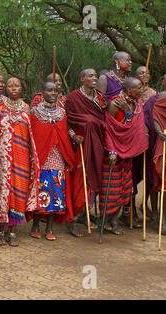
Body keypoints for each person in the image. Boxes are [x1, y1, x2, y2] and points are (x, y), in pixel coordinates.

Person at [26, 82, 76, 240]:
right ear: (43, 92)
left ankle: (49, 227)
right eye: (49, 90)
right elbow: (31, 136)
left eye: (56, 91)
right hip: (40, 158)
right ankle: (35, 225)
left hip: (58, 158)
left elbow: (65, 133)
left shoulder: (62, 112)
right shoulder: (34, 112)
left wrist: (73, 136)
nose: (53, 93)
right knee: (39, 191)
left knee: (56, 192)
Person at [99, 77, 148, 235]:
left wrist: (129, 113)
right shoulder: (115, 104)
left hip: (128, 153)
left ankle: (115, 219)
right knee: (110, 188)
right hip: (113, 153)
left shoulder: (137, 104)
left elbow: (135, 126)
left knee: (125, 187)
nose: (142, 90)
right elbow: (108, 130)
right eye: (139, 87)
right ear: (130, 91)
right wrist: (112, 150)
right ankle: (105, 219)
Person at [64, 68, 106, 236]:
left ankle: (84, 214)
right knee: (81, 180)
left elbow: (104, 121)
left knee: (95, 178)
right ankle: (72, 219)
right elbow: (66, 119)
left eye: (95, 75)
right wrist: (73, 136)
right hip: (80, 146)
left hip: (98, 145)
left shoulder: (100, 98)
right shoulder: (73, 98)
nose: (94, 78)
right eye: (90, 76)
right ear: (82, 79)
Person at [0, 77, 34, 246]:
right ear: (6, 89)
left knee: (18, 191)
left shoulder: (27, 108)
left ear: (21, 88)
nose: (14, 88)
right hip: (3, 159)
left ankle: (13, 232)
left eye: (17, 85)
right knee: (3, 192)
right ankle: (0, 231)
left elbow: (31, 134)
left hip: (22, 158)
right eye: (10, 85)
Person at [141, 74, 166, 222]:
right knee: (154, 178)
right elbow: (147, 119)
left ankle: (162, 216)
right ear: (162, 82)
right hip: (155, 143)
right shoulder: (153, 100)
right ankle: (156, 214)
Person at [152, 90, 166, 235]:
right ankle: (163, 219)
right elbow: (156, 117)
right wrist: (159, 132)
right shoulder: (162, 97)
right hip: (165, 140)